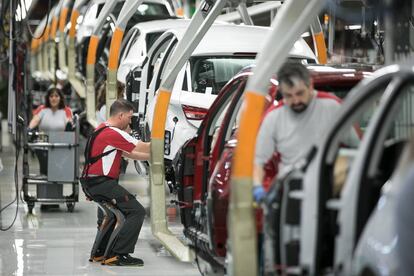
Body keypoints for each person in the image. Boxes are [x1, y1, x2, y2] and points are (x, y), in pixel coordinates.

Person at [253, 62, 343, 201]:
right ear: (282, 93)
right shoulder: (273, 117)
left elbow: (357, 148)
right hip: (290, 192)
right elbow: (258, 161)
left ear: (310, 86)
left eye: (300, 93)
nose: (295, 101)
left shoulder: (332, 107)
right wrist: (258, 188)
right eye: (288, 96)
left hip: (329, 191)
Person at [80, 99, 150, 266]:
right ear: (121, 115)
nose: (130, 121)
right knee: (136, 211)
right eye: (129, 117)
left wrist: (155, 157)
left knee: (112, 214)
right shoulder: (113, 132)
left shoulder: (101, 129)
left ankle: (100, 253)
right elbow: (143, 147)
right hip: (102, 183)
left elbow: (131, 154)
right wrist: (163, 140)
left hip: (90, 183)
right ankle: (118, 254)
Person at [28, 85, 73, 175]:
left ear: (60, 98)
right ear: (48, 98)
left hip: (59, 146)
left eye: (56, 96)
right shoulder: (42, 109)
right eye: (51, 96)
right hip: (43, 145)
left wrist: (69, 126)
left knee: (56, 173)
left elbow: (69, 124)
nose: (54, 98)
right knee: (45, 171)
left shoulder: (66, 110)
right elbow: (34, 121)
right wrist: (29, 129)